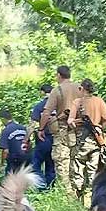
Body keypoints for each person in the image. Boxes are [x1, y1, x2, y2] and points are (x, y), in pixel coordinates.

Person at [39, 66, 83, 194]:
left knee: (62, 162)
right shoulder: (80, 88)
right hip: (80, 130)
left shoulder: (57, 90)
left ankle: (67, 195)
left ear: (59, 75)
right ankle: (80, 192)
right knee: (77, 162)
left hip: (63, 130)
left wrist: (41, 129)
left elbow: (46, 112)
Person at [68, 78, 106, 202]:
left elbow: (70, 121)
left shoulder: (77, 102)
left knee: (78, 169)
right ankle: (93, 198)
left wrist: (75, 124)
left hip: (81, 142)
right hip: (96, 141)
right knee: (93, 170)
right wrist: (98, 128)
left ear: (82, 88)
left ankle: (79, 199)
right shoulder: (100, 101)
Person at [28, 83, 55, 189]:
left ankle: (41, 187)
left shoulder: (39, 106)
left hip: (42, 139)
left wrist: (26, 140)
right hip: (56, 139)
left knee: (35, 164)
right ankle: (51, 187)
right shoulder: (57, 106)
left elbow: (32, 125)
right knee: (51, 164)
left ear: (42, 92)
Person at [0, 108, 29, 175]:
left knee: (11, 180)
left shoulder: (6, 131)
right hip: (26, 157)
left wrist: (2, 164)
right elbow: (29, 143)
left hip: (14, 160)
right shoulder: (22, 128)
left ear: (3, 119)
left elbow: (5, 151)